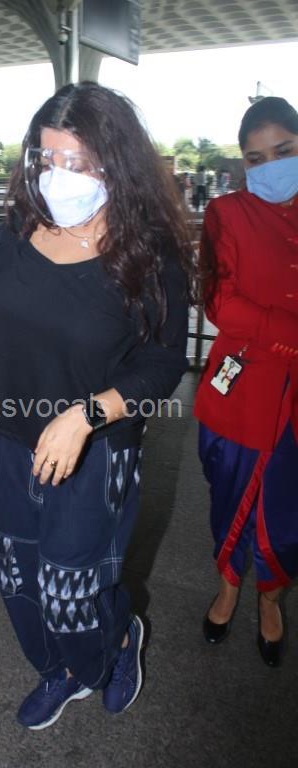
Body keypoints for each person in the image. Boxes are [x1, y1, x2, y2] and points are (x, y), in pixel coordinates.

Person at [0, 82, 194, 730]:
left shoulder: (150, 253)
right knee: (18, 575)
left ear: (116, 162)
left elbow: (163, 363)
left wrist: (85, 416)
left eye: (77, 162)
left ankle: (114, 642)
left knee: (73, 589)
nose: (58, 176)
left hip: (95, 449)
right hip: (15, 438)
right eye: (46, 159)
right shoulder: (22, 226)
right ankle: (56, 669)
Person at [194, 96, 298, 667]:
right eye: (257, 159)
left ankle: (270, 597)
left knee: (288, 508)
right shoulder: (226, 213)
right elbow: (219, 302)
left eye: (285, 151)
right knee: (229, 496)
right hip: (242, 387)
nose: (271, 166)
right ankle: (230, 584)